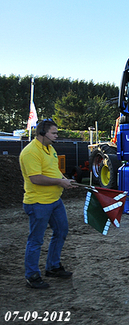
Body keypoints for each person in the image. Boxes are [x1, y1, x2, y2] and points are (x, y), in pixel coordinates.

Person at [19, 119, 77, 289]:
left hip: (54, 201)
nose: (56, 136)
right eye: (54, 133)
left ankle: (52, 266)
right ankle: (32, 275)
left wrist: (66, 181)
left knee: (61, 231)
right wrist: (60, 183)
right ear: (42, 133)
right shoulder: (30, 152)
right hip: (38, 203)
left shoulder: (50, 148)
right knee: (36, 240)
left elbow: (54, 170)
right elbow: (35, 178)